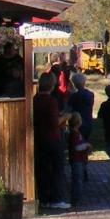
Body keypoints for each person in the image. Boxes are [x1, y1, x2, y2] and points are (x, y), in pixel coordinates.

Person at [33, 74, 70, 210]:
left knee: (43, 170)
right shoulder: (51, 101)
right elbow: (54, 122)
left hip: (39, 138)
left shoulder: (35, 99)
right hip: (53, 139)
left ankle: (44, 199)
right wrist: (65, 117)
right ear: (52, 85)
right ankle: (56, 198)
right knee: (57, 170)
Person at [66, 112, 91, 208]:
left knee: (78, 179)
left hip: (80, 159)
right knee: (77, 180)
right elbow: (77, 147)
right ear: (78, 122)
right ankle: (76, 199)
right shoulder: (74, 134)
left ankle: (77, 198)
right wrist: (86, 145)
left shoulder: (77, 133)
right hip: (77, 160)